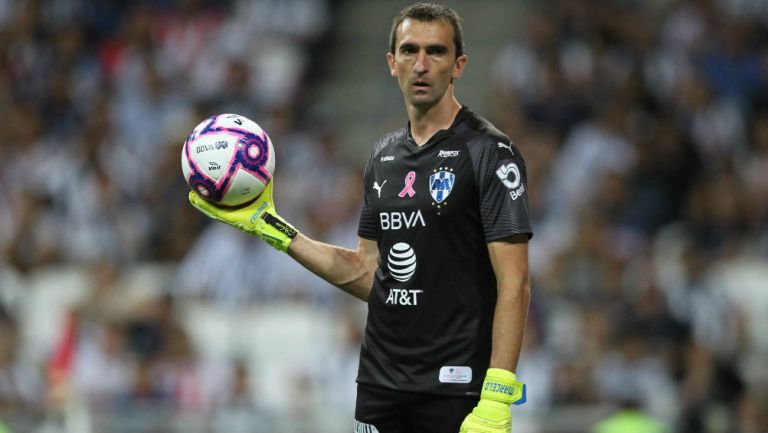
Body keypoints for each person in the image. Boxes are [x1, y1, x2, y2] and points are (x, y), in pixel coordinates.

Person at [189, 3, 532, 432]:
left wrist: (498, 395)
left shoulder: (489, 153)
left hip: (456, 386)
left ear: (458, 64)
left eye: (436, 52)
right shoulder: (382, 157)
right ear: (392, 63)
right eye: (409, 51)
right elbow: (367, 273)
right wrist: (270, 227)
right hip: (380, 386)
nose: (421, 65)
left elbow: (515, 281)